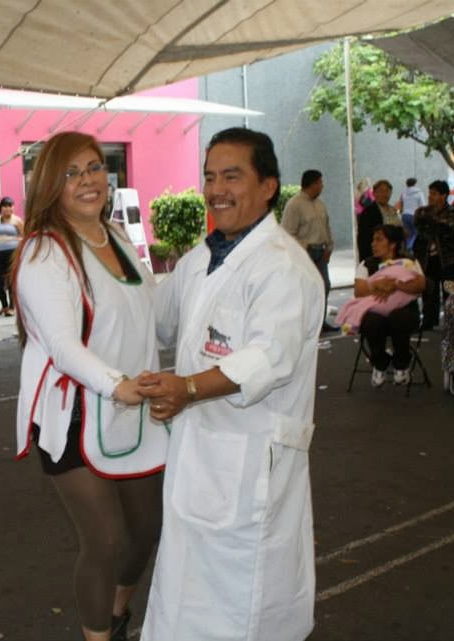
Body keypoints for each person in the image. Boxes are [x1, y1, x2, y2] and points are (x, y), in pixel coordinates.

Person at [137, 128, 322, 641]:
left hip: (250, 465)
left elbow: (268, 359)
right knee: (184, 598)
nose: (217, 188)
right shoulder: (202, 257)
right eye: (210, 176)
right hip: (199, 459)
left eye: (232, 176)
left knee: (245, 607)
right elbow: (158, 318)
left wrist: (187, 389)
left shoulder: (283, 267)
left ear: (268, 186)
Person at [11, 131, 167, 641]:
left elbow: (151, 314)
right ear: (51, 185)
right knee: (101, 539)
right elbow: (60, 343)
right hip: (73, 415)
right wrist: (115, 384)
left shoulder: (117, 236)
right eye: (72, 172)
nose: (88, 181)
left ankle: (118, 611)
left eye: (95, 168)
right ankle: (97, 634)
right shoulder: (42, 251)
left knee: (146, 529)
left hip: (136, 406)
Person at [354, 225, 426, 386]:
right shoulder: (367, 264)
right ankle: (380, 362)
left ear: (392, 244)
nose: (373, 243)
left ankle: (401, 364)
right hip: (376, 311)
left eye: (379, 240)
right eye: (373, 240)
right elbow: (358, 291)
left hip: (405, 312)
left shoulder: (409, 262)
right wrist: (377, 284)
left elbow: (421, 285)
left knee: (398, 317)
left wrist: (396, 284)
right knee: (371, 321)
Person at [281, 169, 335, 332]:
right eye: (319, 183)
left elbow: (326, 227)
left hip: (321, 251)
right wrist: (303, 249)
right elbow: (287, 232)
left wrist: (329, 247)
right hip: (306, 253)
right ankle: (305, 325)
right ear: (311, 184)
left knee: (324, 285)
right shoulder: (294, 204)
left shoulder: (320, 204)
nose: (322, 186)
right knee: (305, 289)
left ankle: (320, 321)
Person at [413, 180, 454, 330]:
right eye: (430, 193)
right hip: (428, 258)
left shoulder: (452, 211)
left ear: (444, 195)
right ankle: (428, 321)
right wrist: (436, 223)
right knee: (429, 290)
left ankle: (451, 321)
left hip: (447, 258)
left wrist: (435, 224)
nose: (430, 197)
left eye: (434, 194)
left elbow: (449, 227)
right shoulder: (423, 211)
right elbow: (418, 221)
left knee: (449, 290)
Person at [0, 196, 23, 316]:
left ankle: (12, 307)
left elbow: (24, 236)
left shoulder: (17, 221)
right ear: (0, 208)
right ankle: (4, 305)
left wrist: (13, 238)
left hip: (13, 252)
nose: (8, 209)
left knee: (11, 281)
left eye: (10, 206)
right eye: (5, 206)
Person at [357, 179, 400, 260]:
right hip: (377, 256)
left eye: (387, 191)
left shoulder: (392, 210)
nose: (385, 194)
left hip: (394, 254)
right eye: (381, 191)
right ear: (374, 193)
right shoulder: (368, 212)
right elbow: (363, 239)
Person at [397, 177, 426, 252]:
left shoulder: (403, 193)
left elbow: (400, 204)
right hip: (414, 215)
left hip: (404, 215)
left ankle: (406, 248)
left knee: (407, 234)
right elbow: (422, 205)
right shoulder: (419, 193)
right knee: (415, 233)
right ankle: (410, 247)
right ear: (415, 184)